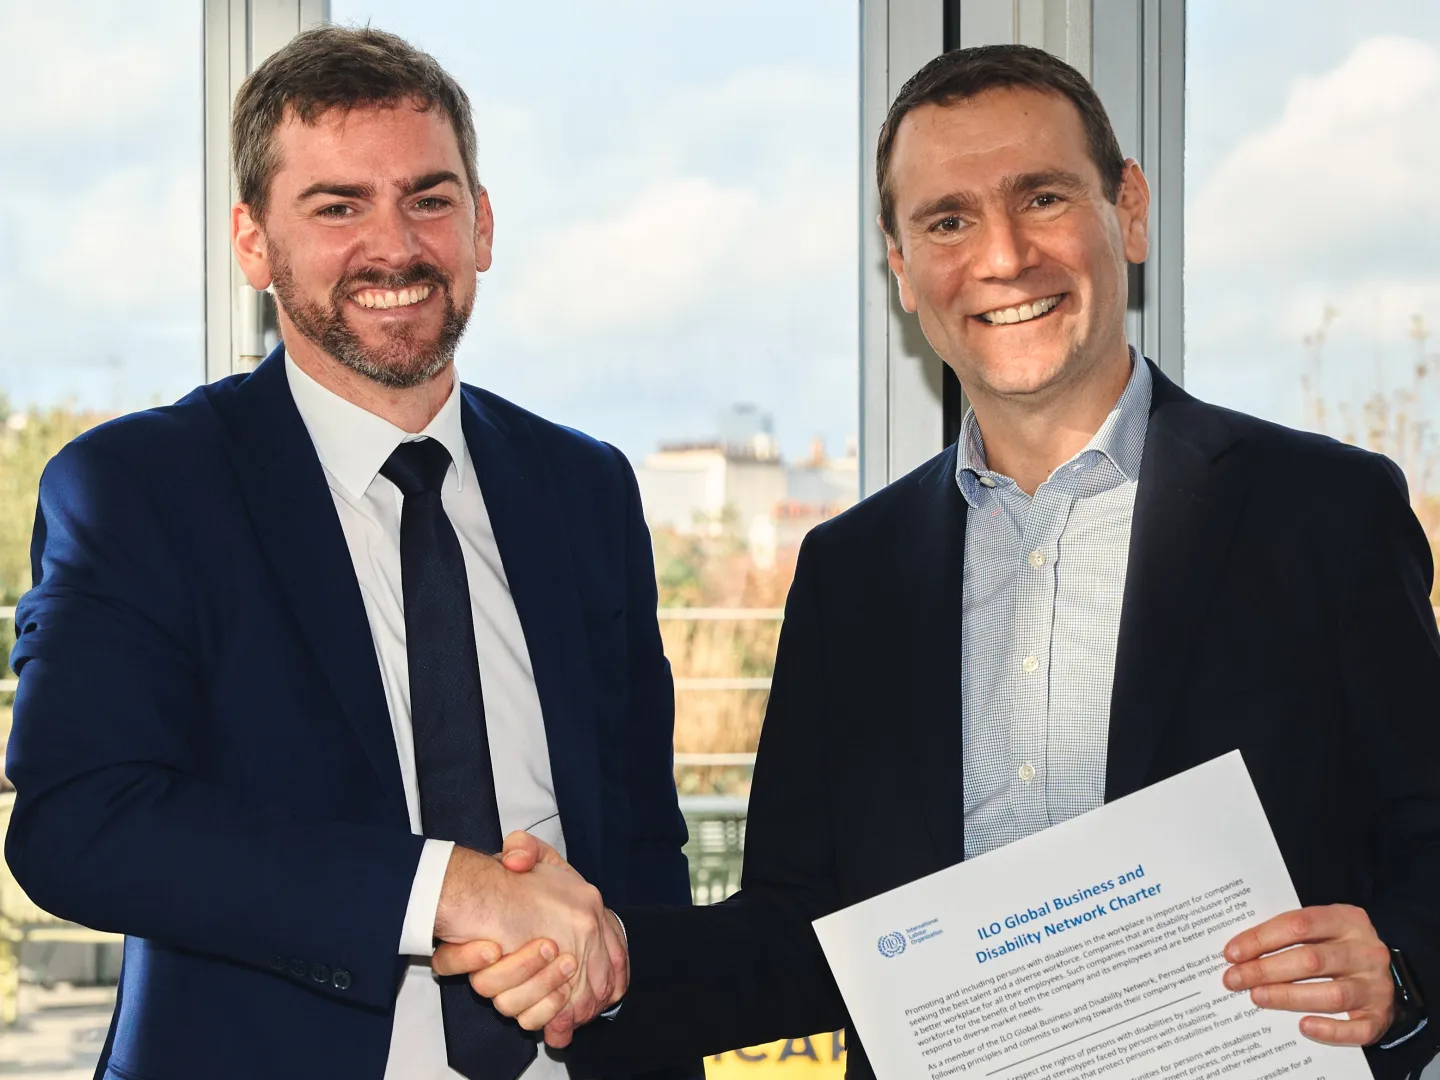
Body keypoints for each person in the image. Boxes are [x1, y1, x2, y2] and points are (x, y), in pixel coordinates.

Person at [435, 43, 1440, 1080]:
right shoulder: (850, 575)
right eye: (948, 220)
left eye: (1042, 197)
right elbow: (799, 934)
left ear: (1128, 210)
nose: (1002, 257)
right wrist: (608, 957)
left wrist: (1400, 975)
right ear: (902, 266)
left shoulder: (1324, 512)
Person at [3, 25, 694, 1080]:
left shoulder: (585, 487)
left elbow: (643, 843)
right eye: (337, 206)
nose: (396, 245)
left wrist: (613, 970)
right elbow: (81, 825)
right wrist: (448, 887)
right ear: (252, 243)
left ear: (483, 224)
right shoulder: (139, 490)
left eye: (429, 197)